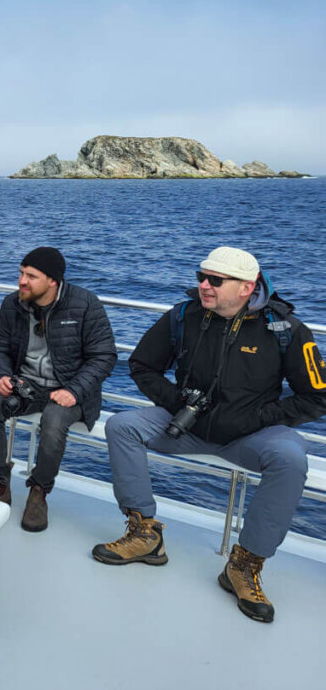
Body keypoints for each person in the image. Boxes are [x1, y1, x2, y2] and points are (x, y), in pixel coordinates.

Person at [92, 246, 326, 623]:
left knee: (291, 458)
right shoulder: (183, 316)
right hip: (186, 425)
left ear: (247, 287)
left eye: (216, 280)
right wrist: (177, 401)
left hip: (249, 434)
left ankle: (244, 564)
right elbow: (142, 365)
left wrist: (256, 419)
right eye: (202, 276)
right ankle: (145, 534)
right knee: (122, 426)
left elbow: (317, 397)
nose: (204, 285)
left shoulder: (286, 330)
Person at [0, 247, 117, 531]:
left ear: (53, 281)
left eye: (31, 276)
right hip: (27, 384)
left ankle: (39, 492)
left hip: (70, 388)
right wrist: (1, 375)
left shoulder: (86, 304)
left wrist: (75, 391)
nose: (21, 281)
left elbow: (104, 357)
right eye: (21, 273)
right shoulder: (12, 304)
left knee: (53, 422)